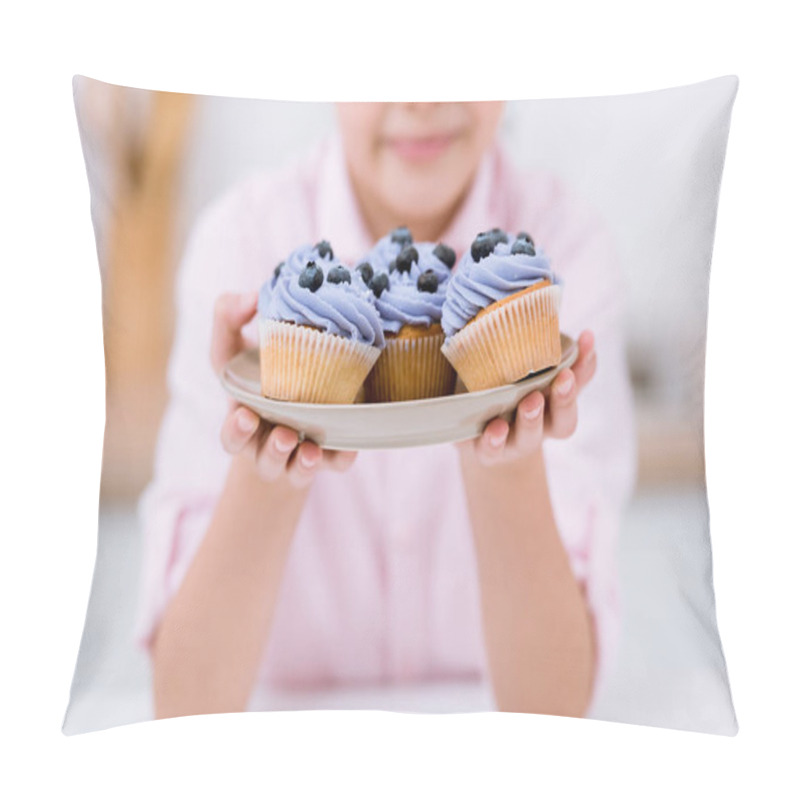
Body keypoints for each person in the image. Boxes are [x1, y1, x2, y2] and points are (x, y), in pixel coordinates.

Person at [135, 102, 636, 720]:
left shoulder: (565, 246)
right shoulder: (242, 242)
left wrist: (507, 450)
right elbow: (184, 716)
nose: (422, 99)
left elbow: (554, 716)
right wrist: (267, 457)